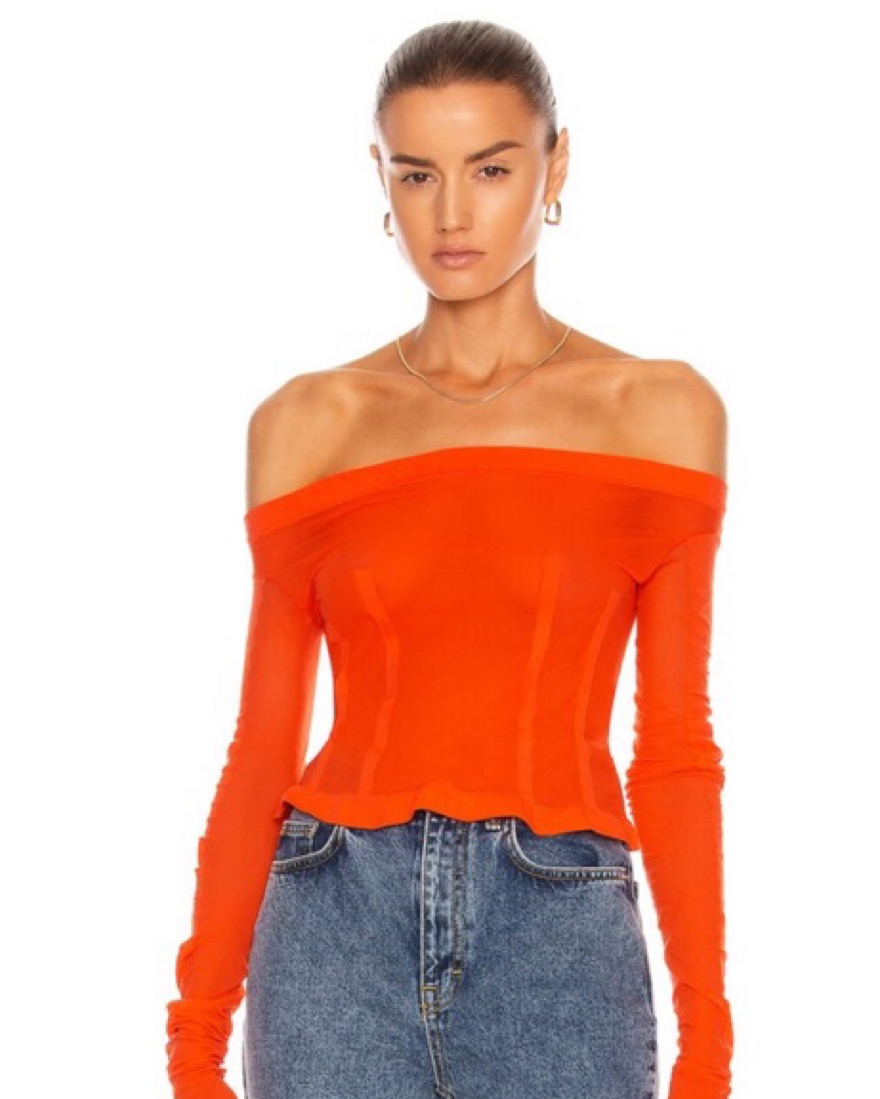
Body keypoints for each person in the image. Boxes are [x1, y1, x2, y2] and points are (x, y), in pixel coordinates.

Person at [165, 18, 734, 1099]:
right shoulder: (308, 423)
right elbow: (263, 745)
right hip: (329, 916)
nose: (452, 213)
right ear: (381, 178)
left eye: (492, 168)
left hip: (560, 925)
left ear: (555, 167)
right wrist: (195, 1036)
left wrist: (708, 1045)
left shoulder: (656, 412)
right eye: (418, 173)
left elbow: (673, 748)